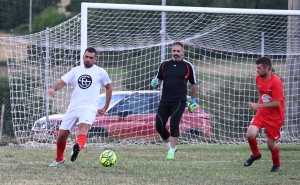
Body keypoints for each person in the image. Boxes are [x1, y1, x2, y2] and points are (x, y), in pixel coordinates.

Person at [48, 47, 112, 168]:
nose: (88, 59)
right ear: (83, 56)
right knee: (61, 136)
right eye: (86, 56)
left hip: (89, 107)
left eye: (91, 58)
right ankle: (59, 159)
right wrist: (53, 88)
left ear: (95, 59)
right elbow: (63, 81)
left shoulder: (101, 72)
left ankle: (76, 147)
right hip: (73, 107)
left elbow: (109, 87)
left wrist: (105, 107)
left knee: (83, 128)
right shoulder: (76, 70)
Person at [151, 42, 198, 160]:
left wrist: (193, 101)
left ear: (182, 52)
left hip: (179, 100)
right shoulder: (164, 64)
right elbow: (159, 80)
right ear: (171, 51)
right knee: (159, 125)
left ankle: (171, 152)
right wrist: (155, 83)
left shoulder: (187, 66)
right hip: (165, 100)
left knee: (174, 125)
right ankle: (170, 146)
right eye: (174, 51)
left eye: (178, 51)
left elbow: (193, 84)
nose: (176, 53)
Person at [244, 56, 284, 173]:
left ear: (267, 68)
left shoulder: (276, 82)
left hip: (275, 117)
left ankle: (277, 165)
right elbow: (261, 95)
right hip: (262, 113)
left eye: (259, 68)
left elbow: (277, 103)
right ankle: (256, 155)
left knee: (270, 143)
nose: (257, 70)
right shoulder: (258, 78)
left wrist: (258, 106)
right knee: (250, 134)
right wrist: (258, 107)